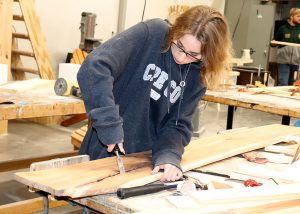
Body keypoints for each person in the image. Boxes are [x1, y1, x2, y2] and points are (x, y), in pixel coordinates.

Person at [77, 5, 232, 182]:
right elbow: (94, 67)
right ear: (175, 31)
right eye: (179, 46)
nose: (181, 58)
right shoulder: (152, 34)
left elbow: (177, 124)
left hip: (146, 163)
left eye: (193, 55)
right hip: (105, 150)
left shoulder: (199, 76)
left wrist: (169, 155)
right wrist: (108, 124)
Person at [271, 8, 300, 86]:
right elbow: (275, 41)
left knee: (293, 84)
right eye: (298, 16)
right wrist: (273, 43)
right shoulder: (283, 29)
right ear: (291, 16)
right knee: (283, 83)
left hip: (296, 62)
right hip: (283, 61)